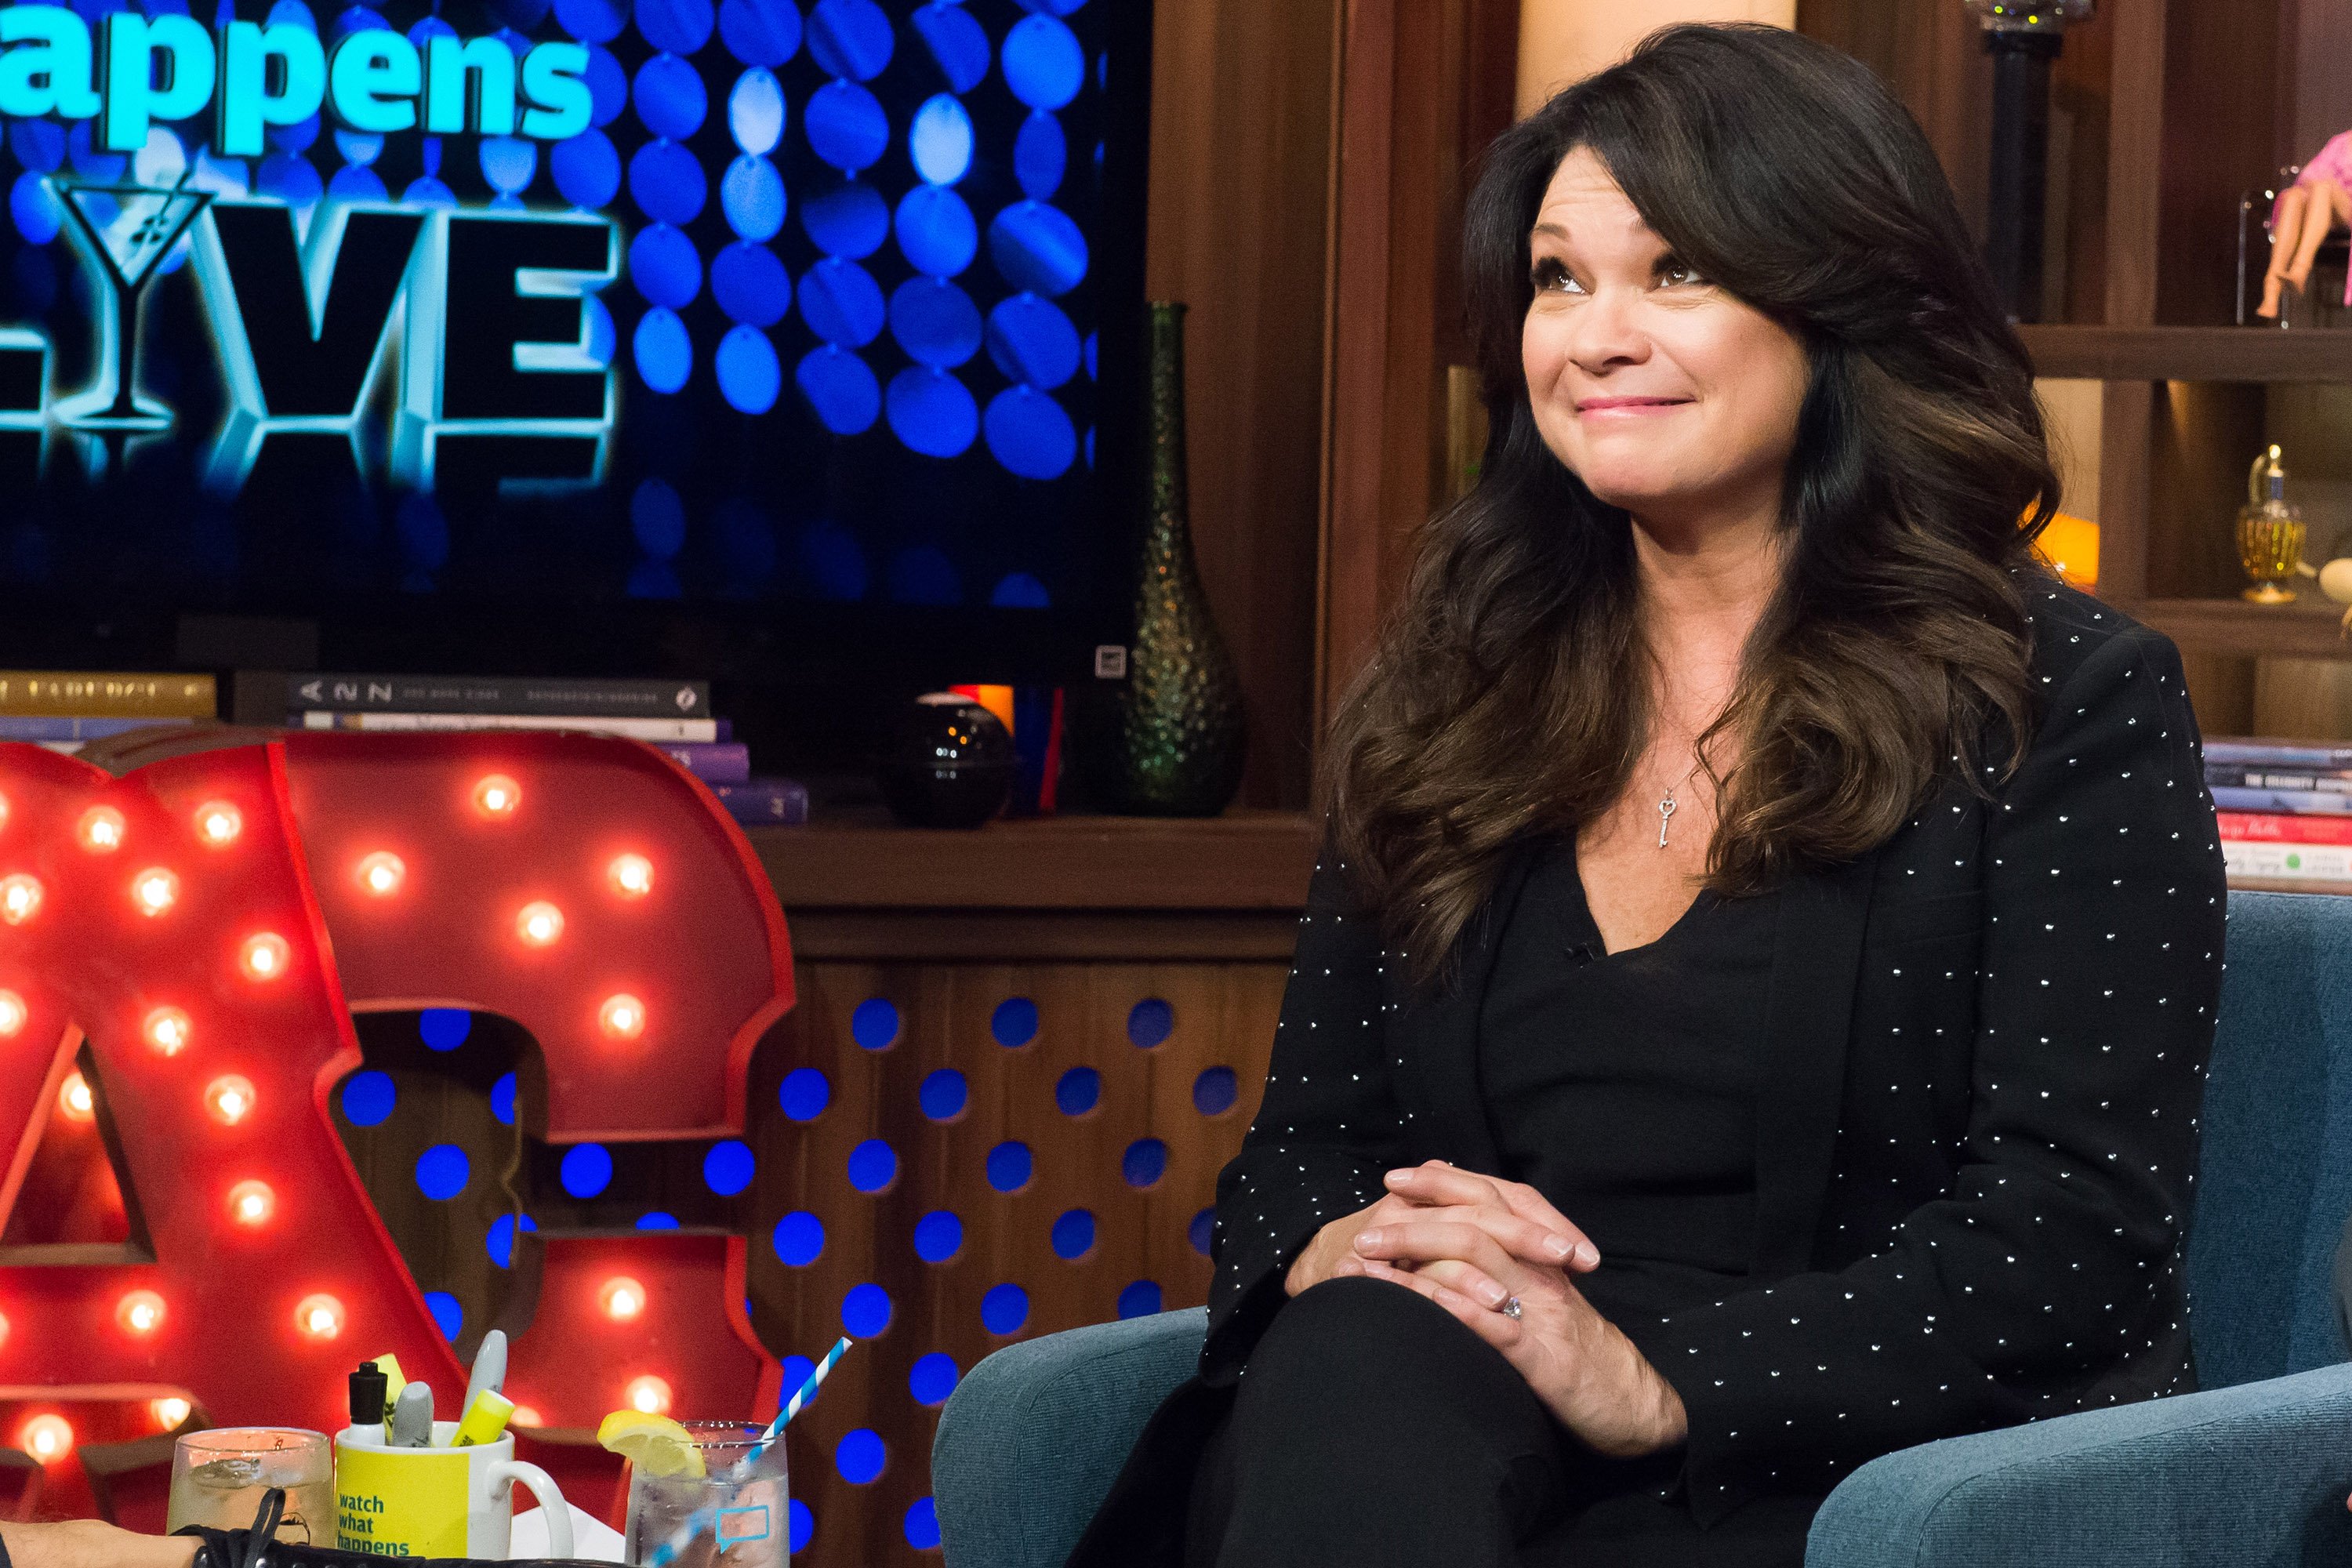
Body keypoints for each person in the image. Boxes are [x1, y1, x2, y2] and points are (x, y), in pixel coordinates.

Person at [1064, 22, 2225, 1568]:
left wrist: (1656, 1379)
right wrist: (1347, 1248)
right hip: (1434, 1408)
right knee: (1356, 1355)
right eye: (1559, 278)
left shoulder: (2059, 700)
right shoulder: (1451, 690)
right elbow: (1307, 1143)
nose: (1593, 335)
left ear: (1839, 300)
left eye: (1676, 272)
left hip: (1842, 1450)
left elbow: (2074, 1242)